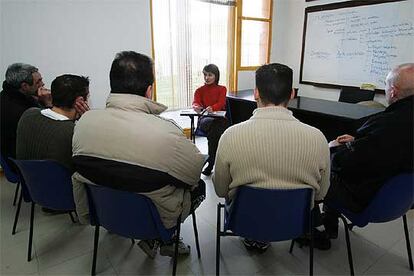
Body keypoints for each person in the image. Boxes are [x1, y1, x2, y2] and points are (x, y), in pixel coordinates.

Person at [72, 51, 205, 258]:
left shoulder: (83, 123)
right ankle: (165, 239)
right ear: (149, 90)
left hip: (106, 214)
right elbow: (193, 175)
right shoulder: (166, 132)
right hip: (154, 219)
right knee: (200, 187)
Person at [213, 63, 331, 252]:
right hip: (295, 222)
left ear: (256, 93)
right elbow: (321, 194)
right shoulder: (318, 138)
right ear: (292, 94)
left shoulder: (230, 136)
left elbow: (220, 190)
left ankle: (255, 237)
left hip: (244, 219)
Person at [323, 63, 414, 238]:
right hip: (401, 201)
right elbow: (390, 149)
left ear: (393, 92)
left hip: (368, 199)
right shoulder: (392, 125)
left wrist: (333, 149)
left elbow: (345, 164)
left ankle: (319, 229)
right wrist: (359, 141)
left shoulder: (386, 124)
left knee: (319, 171)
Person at [16, 74, 90, 172]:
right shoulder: (73, 132)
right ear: (80, 101)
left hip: (29, 182)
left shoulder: (28, 114)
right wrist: (87, 120)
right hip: (64, 186)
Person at [0, 63, 52, 168]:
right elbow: (49, 132)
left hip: (9, 157)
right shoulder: (22, 111)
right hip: (24, 163)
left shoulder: (6, 95)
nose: (42, 84)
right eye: (38, 82)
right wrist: (48, 104)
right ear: (24, 86)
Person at [192, 64, 227, 176]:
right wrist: (196, 107)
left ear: (216, 76)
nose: (207, 77)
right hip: (205, 120)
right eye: (205, 75)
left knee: (215, 130)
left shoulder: (222, 89)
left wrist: (213, 108)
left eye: (210, 75)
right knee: (216, 130)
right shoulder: (199, 90)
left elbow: (221, 103)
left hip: (218, 119)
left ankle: (211, 161)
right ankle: (214, 161)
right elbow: (195, 102)